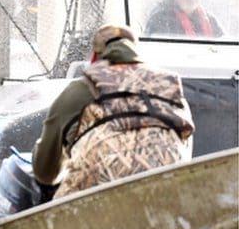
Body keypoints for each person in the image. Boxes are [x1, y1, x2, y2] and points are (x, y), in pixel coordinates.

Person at [31, 24, 194, 200]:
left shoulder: (80, 89)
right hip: (167, 194)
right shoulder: (169, 86)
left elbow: (45, 173)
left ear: (95, 56)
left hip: (95, 203)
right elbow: (184, 143)